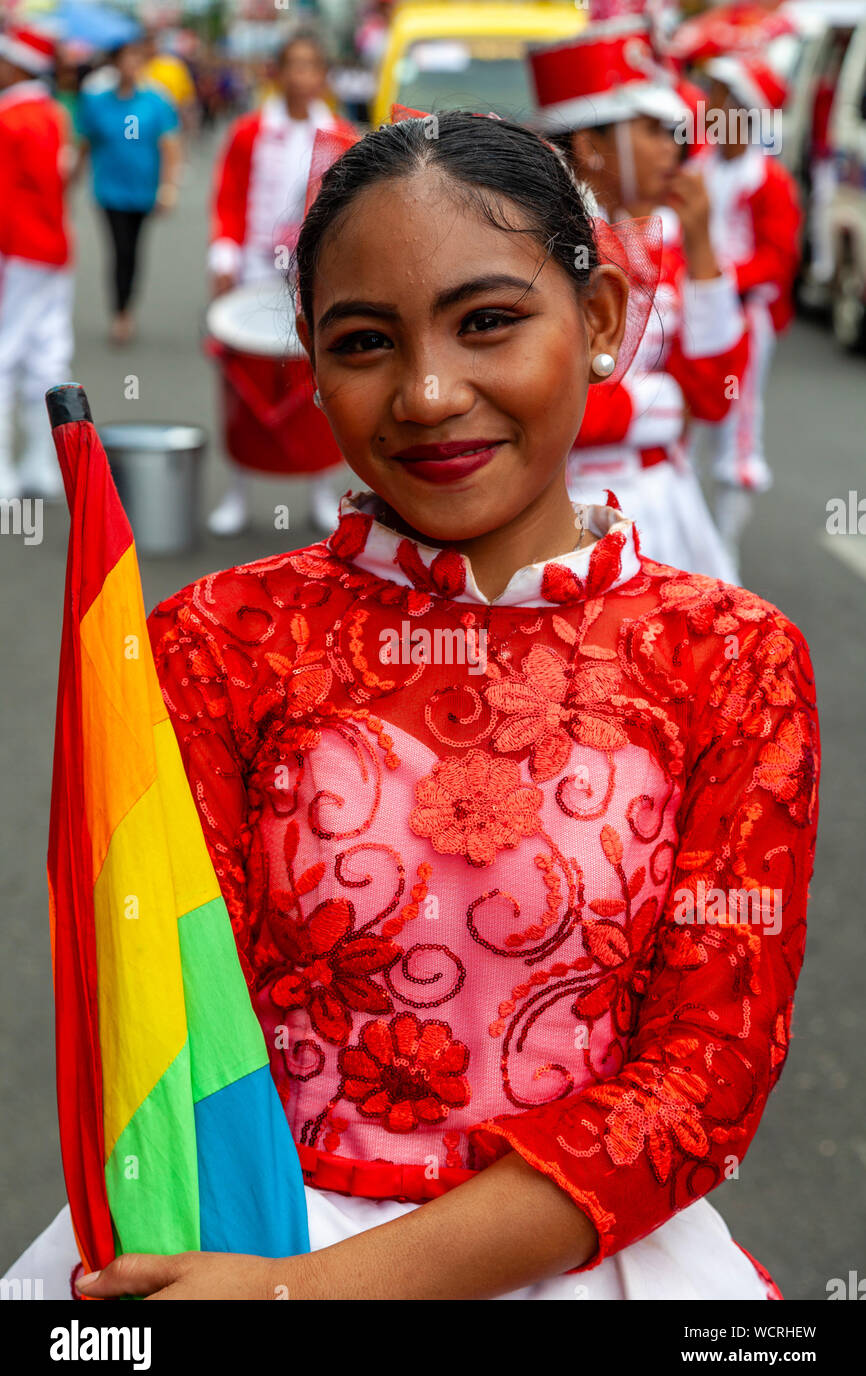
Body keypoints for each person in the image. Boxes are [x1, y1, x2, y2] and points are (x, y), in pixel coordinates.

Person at [6, 112, 820, 1300]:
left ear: (596, 322)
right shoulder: (212, 646)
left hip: (589, 1257)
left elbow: (704, 1079)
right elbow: (167, 1025)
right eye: (364, 341)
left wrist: (323, 1295)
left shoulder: (730, 661)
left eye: (487, 321)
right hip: (248, 1228)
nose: (430, 393)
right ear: (309, 357)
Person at [529, 17, 748, 584]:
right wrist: (653, 406)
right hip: (571, 517)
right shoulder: (536, 252)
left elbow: (715, 397)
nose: (673, 149)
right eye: (651, 130)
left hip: (670, 505)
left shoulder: (663, 241)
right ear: (589, 146)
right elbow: (536, 409)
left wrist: (702, 250)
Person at [206, 28, 357, 538]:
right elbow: (227, 195)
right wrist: (223, 254)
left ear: (322, 75)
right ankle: (239, 489)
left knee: (315, 381)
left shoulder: (340, 135)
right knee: (246, 384)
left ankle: (319, 487)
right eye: (292, 65)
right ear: (278, 71)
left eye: (311, 66)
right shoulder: (250, 131)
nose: (302, 77)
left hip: (312, 276)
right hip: (253, 270)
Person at [698, 56, 801, 572]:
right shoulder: (698, 166)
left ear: (747, 110)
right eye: (711, 96)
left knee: (735, 433)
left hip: (741, 321)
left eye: (722, 98)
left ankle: (723, 561)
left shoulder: (769, 179)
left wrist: (717, 278)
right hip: (692, 316)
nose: (710, 108)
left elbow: (779, 258)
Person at [0, 24, 73, 502]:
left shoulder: (7, 118)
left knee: (5, 357)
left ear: (20, 64)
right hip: (53, 248)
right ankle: (43, 466)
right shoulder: (52, 114)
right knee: (48, 357)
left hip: (13, 251)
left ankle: (4, 469)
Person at [76, 40, 181, 345]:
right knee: (119, 249)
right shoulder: (97, 101)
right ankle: (120, 313)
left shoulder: (155, 101)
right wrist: (71, 179)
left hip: (143, 190)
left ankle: (127, 304)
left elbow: (170, 145)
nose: (130, 64)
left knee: (133, 250)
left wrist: (167, 187)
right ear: (114, 63)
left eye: (136, 57)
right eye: (124, 58)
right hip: (109, 189)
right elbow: (85, 142)